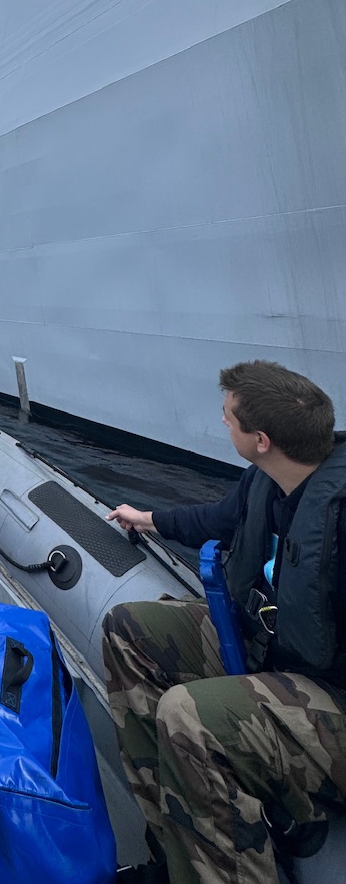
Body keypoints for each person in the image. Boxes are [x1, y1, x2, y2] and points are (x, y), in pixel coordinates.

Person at [102, 361, 346, 884]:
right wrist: (147, 520)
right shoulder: (269, 480)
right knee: (129, 630)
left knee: (187, 714)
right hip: (275, 650)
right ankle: (176, 852)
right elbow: (217, 519)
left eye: (228, 418)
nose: (222, 424)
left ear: (260, 439)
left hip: (335, 697)